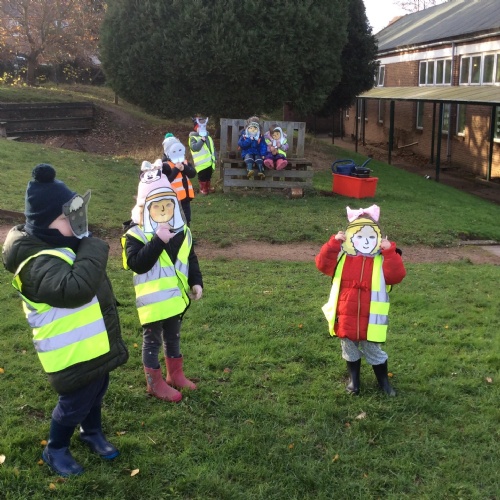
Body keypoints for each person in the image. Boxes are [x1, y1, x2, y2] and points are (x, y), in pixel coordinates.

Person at [1, 164, 129, 477]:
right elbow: (75, 289)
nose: (75, 222)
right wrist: (93, 246)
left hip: (90, 345)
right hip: (69, 353)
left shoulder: (62, 246)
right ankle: (55, 447)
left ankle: (91, 431)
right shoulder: (36, 262)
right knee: (74, 402)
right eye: (65, 217)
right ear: (44, 224)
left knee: (97, 388)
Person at [122, 167, 203, 403]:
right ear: (145, 208)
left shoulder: (182, 231)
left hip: (175, 299)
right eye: (157, 206)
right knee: (152, 341)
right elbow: (137, 264)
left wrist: (196, 281)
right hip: (153, 304)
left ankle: (175, 375)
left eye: (168, 204)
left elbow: (190, 258)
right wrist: (158, 241)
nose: (164, 210)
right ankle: (154, 383)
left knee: (173, 337)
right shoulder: (135, 234)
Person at [315, 204, 406, 396]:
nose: (366, 241)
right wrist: (333, 244)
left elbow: (396, 276)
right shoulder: (342, 256)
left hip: (372, 318)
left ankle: (384, 383)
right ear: (351, 237)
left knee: (374, 350)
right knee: (349, 348)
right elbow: (323, 265)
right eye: (359, 236)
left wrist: (390, 252)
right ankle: (354, 381)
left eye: (371, 237)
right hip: (345, 313)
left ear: (378, 237)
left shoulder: (382, 258)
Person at [160, 133, 196, 226]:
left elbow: (193, 174)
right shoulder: (165, 165)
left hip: (185, 198)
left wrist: (184, 168)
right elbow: (166, 181)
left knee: (187, 218)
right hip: (172, 200)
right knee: (174, 220)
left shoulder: (184, 162)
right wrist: (176, 169)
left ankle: (187, 233)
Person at [188, 116, 217, 195]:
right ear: (196, 128)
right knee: (202, 176)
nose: (202, 129)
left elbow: (212, 148)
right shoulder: (193, 137)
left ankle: (208, 187)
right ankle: (203, 188)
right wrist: (201, 140)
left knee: (208, 175)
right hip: (201, 163)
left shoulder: (208, 137)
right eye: (199, 127)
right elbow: (195, 148)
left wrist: (215, 157)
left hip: (209, 161)